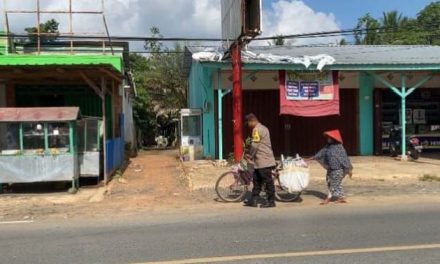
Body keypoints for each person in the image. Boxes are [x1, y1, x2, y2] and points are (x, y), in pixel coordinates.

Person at [243, 113, 277, 208]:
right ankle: (253, 200)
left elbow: (255, 145)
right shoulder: (264, 128)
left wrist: (250, 155)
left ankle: (271, 201)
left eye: (248, 123)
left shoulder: (257, 129)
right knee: (256, 180)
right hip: (260, 161)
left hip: (264, 160)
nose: (248, 126)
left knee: (267, 181)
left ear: (252, 121)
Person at [313, 129, 353, 205]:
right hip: (330, 169)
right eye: (327, 137)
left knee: (334, 184)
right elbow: (320, 153)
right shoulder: (327, 147)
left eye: (329, 138)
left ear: (333, 139)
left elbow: (344, 158)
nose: (328, 139)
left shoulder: (339, 147)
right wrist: (312, 158)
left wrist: (348, 169)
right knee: (333, 183)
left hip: (338, 169)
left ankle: (328, 199)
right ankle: (342, 198)